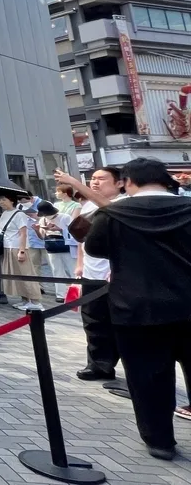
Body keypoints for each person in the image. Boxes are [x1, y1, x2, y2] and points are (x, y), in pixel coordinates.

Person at [84, 157, 191, 461]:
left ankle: (160, 441)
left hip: (135, 306)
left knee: (147, 377)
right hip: (188, 303)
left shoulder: (114, 213)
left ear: (128, 181)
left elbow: (95, 249)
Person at [57, 167, 125, 382]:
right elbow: (82, 240)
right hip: (91, 273)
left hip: (114, 276)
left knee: (117, 323)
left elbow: (107, 208)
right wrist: (79, 265)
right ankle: (98, 365)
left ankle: (118, 364)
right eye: (92, 179)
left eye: (101, 179)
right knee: (93, 321)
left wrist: (74, 183)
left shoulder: (123, 204)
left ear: (120, 183)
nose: (95, 183)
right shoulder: (87, 205)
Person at [0, 194, 42, 311]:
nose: (1, 202)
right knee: (17, 275)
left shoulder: (19, 214)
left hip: (18, 248)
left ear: (11, 200)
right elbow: (1, 229)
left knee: (26, 274)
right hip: (8, 247)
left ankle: (35, 301)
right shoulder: (3, 214)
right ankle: (25, 300)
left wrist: (22, 251)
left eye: (3, 199)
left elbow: (23, 233)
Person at [36, 201, 77, 302]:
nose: (46, 216)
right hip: (52, 248)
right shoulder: (43, 220)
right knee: (56, 271)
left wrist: (60, 229)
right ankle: (60, 295)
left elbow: (75, 232)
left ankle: (76, 294)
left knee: (72, 270)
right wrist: (37, 230)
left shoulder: (65, 217)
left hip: (66, 247)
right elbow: (42, 237)